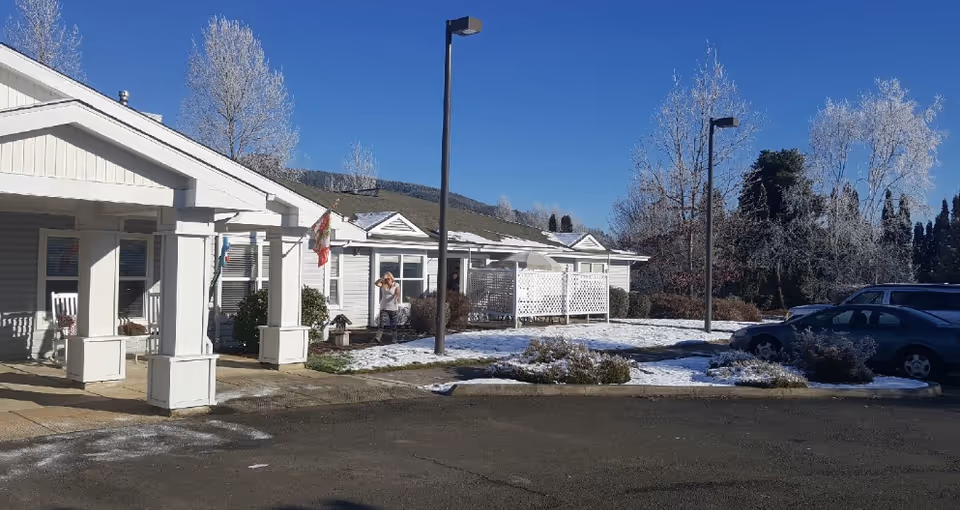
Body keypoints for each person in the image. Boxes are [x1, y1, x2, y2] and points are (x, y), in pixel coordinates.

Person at [375, 271, 401, 343]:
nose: (388, 280)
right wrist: (382, 279)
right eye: (386, 279)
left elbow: (398, 293)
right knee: (382, 323)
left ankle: (394, 339)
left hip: (393, 307)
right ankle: (378, 337)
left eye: (389, 279)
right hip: (384, 306)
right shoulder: (383, 284)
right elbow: (376, 283)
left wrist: (396, 297)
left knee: (393, 324)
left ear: (392, 278)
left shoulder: (396, 285)